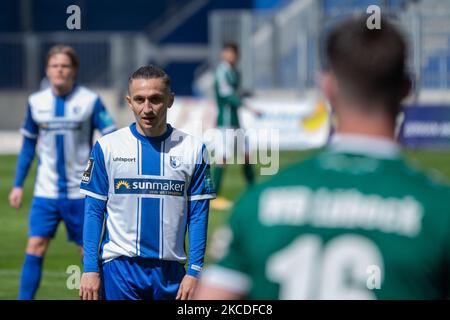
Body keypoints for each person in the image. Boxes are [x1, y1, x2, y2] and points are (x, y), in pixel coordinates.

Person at [195, 16, 450, 299]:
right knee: (230, 158)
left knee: (241, 158)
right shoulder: (438, 210)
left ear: (327, 87)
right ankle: (214, 191)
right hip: (227, 121)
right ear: (407, 88)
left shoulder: (259, 204)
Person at [79, 65, 216, 300]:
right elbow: (94, 212)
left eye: (155, 99)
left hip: (171, 273)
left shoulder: (194, 149)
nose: (147, 108)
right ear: (129, 101)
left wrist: (195, 271)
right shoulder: (107, 147)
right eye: (140, 100)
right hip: (119, 269)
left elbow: (199, 215)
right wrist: (90, 268)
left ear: (170, 100)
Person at [9, 45, 116, 300]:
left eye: (65, 65)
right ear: (47, 70)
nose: (60, 70)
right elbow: (27, 147)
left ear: (74, 70)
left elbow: (111, 137)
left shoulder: (89, 100)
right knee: (35, 246)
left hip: (81, 193)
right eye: (55, 65)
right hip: (45, 192)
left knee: (87, 253)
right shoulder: (36, 102)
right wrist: (17, 184)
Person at [211, 42, 261, 211]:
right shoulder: (221, 71)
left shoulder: (235, 73)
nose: (231, 55)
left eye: (233, 52)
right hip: (225, 121)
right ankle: (213, 196)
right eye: (228, 52)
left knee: (247, 154)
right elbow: (226, 96)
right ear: (223, 54)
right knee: (223, 157)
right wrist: (249, 107)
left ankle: (254, 191)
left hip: (235, 121)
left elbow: (235, 93)